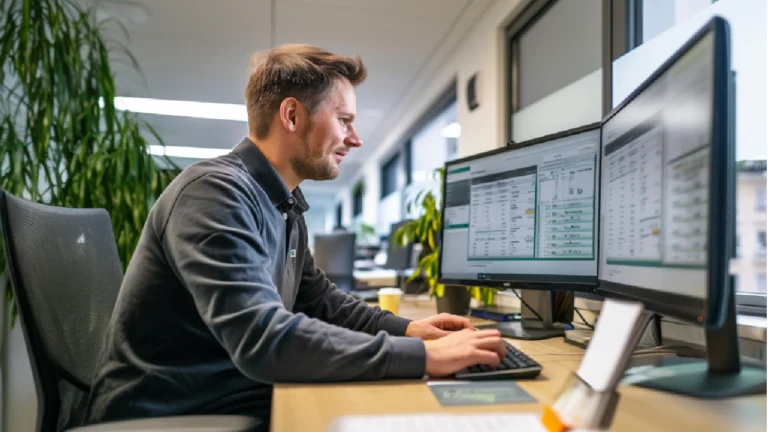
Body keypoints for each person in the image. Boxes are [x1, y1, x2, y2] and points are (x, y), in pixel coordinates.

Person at [84, 44, 505, 430]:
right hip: (168, 412)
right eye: (344, 121)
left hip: (227, 392)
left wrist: (411, 331)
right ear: (291, 116)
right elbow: (263, 339)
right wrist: (424, 357)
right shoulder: (214, 193)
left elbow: (320, 302)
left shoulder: (284, 204)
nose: (354, 139)